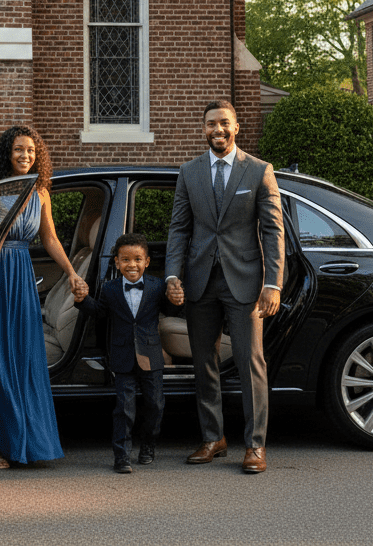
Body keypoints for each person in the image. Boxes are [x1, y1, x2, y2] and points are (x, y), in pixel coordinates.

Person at [165, 100, 285, 474]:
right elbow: (179, 228)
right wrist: (172, 275)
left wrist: (273, 283)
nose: (217, 130)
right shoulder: (189, 172)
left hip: (246, 282)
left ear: (236, 127)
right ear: (204, 129)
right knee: (204, 364)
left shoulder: (259, 171)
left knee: (251, 363)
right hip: (200, 282)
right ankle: (213, 438)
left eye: (224, 124)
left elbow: (272, 230)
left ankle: (255, 444)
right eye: (211, 124)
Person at [0, 124, 88, 469]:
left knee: (24, 357)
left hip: (21, 275)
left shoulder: (40, 193)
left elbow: (50, 240)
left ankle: (26, 442)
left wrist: (71, 272)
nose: (25, 156)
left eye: (31, 151)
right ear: (7, 154)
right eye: (19, 150)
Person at [73, 232, 169, 473]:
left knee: (155, 404)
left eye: (137, 259)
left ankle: (148, 444)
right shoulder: (110, 289)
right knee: (124, 408)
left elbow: (171, 309)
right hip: (122, 356)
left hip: (150, 354)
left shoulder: (158, 286)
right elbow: (99, 311)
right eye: (125, 260)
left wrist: (178, 299)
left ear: (147, 261)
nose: (132, 265)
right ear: (117, 262)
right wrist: (83, 299)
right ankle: (121, 455)